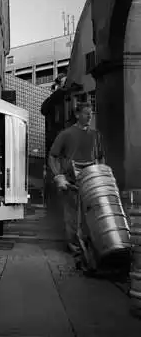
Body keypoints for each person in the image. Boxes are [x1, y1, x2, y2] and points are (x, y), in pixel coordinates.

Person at [48, 102, 105, 272]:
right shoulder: (66, 134)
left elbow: (101, 158)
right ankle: (78, 254)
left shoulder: (96, 136)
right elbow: (52, 156)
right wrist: (58, 176)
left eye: (91, 113)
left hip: (91, 182)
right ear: (77, 114)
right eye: (86, 113)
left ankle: (92, 251)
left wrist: (101, 175)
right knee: (72, 219)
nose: (90, 116)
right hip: (71, 184)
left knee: (91, 218)